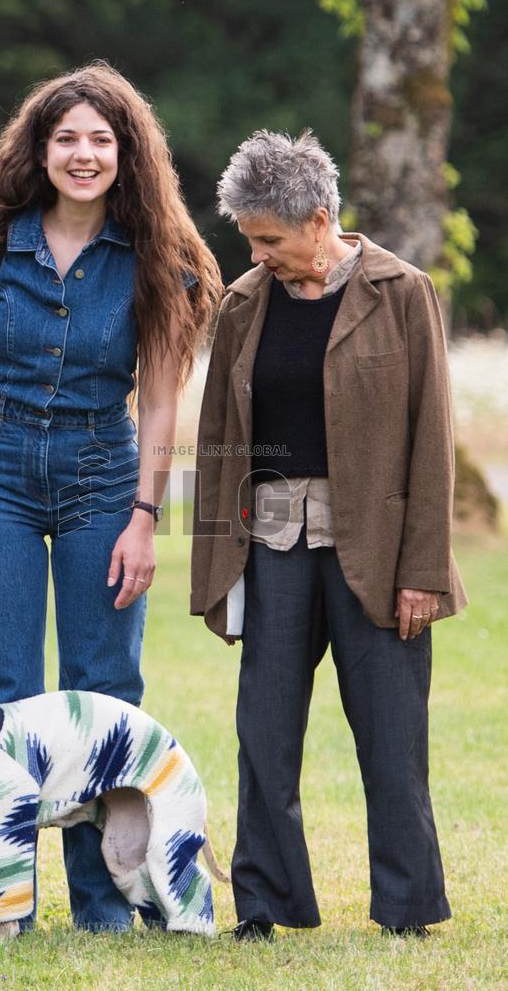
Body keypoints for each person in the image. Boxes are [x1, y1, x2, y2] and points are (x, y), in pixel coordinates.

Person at [0, 61, 222, 934]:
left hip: (103, 476)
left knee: (106, 691)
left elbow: (160, 401)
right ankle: (9, 914)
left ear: (127, 153)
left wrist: (145, 516)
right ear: (38, 150)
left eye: (100, 139)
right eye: (66, 140)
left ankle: (105, 908)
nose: (83, 155)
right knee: (4, 689)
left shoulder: (159, 260)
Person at [190, 129, 467, 941]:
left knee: (391, 737)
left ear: (319, 221)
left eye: (269, 239)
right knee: (264, 738)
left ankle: (409, 908)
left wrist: (424, 570)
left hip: (379, 558)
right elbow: (220, 446)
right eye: (249, 240)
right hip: (271, 549)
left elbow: (431, 440)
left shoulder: (404, 291)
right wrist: (218, 573)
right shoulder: (244, 303)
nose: (259, 255)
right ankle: (265, 904)